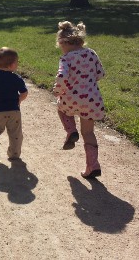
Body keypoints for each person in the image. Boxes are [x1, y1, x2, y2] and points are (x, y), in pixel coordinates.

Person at [52, 21, 105, 179]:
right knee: (88, 132)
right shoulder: (91, 53)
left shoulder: (66, 58)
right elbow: (100, 73)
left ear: (63, 43)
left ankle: (71, 131)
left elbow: (62, 76)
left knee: (61, 108)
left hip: (71, 98)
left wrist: (57, 91)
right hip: (91, 100)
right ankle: (93, 166)